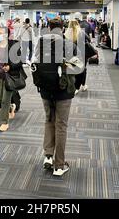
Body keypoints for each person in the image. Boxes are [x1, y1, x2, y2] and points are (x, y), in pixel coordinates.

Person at [33, 18, 83, 176]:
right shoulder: (68, 44)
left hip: (45, 90)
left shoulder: (40, 43)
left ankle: (48, 156)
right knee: (61, 125)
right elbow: (79, 66)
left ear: (49, 28)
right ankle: (59, 165)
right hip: (63, 91)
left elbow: (34, 62)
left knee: (49, 121)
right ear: (62, 29)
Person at [0, 24, 24, 132]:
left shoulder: (13, 45)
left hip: (9, 76)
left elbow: (19, 61)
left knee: (4, 100)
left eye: (1, 33)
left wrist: (10, 66)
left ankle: (4, 122)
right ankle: (11, 107)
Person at [64, 19, 90, 93]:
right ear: (77, 24)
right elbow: (89, 39)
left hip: (70, 54)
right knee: (83, 69)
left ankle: (74, 85)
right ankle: (81, 85)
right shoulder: (81, 32)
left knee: (73, 68)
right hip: (82, 53)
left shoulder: (66, 33)